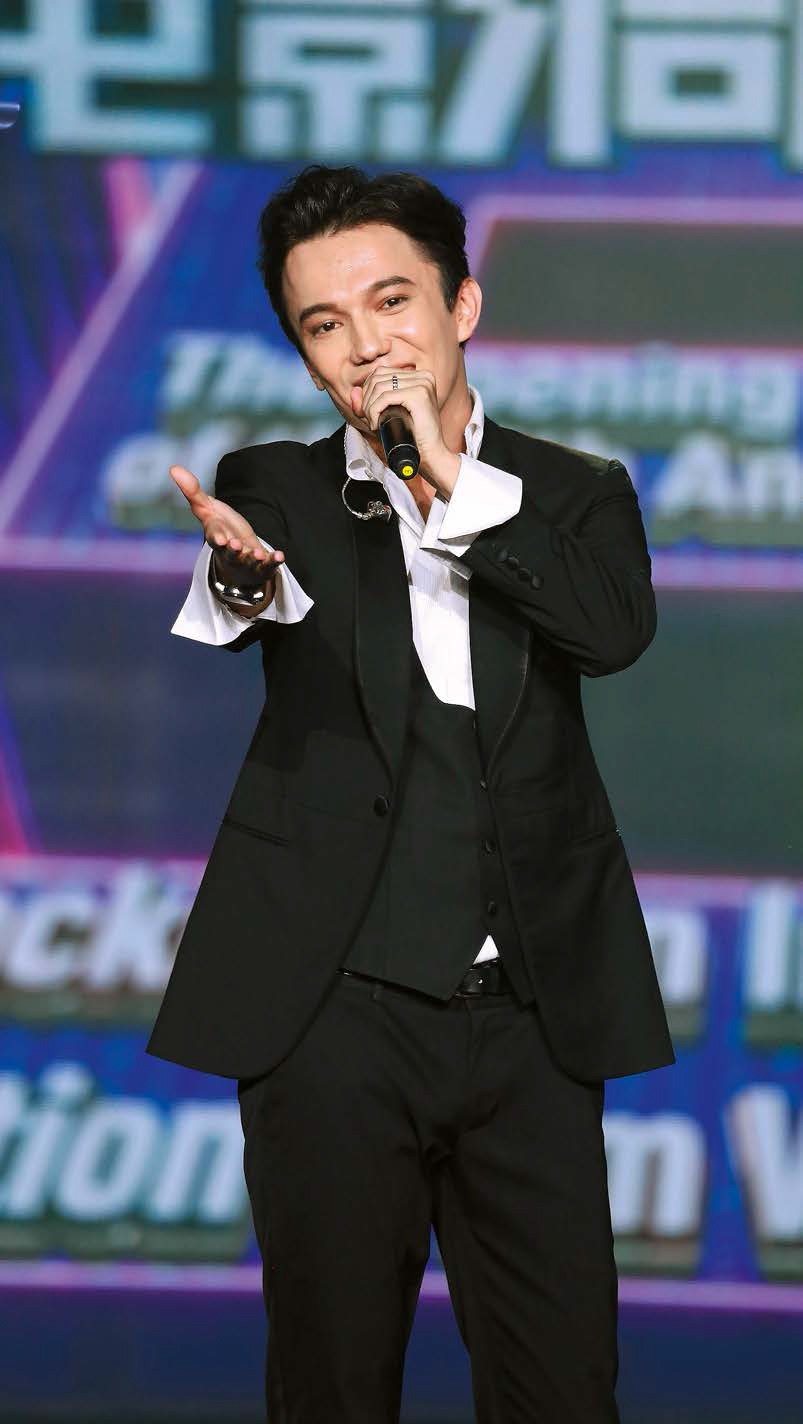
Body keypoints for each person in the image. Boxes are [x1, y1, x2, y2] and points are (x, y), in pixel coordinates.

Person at [146, 163, 675, 1423]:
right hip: (334, 1013)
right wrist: (237, 576)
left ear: (461, 306)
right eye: (324, 325)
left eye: (390, 303)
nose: (365, 346)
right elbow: (250, 586)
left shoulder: (571, 491)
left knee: (563, 1389)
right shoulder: (277, 483)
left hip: (531, 1017)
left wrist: (450, 480)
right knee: (330, 1385)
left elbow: (609, 631)